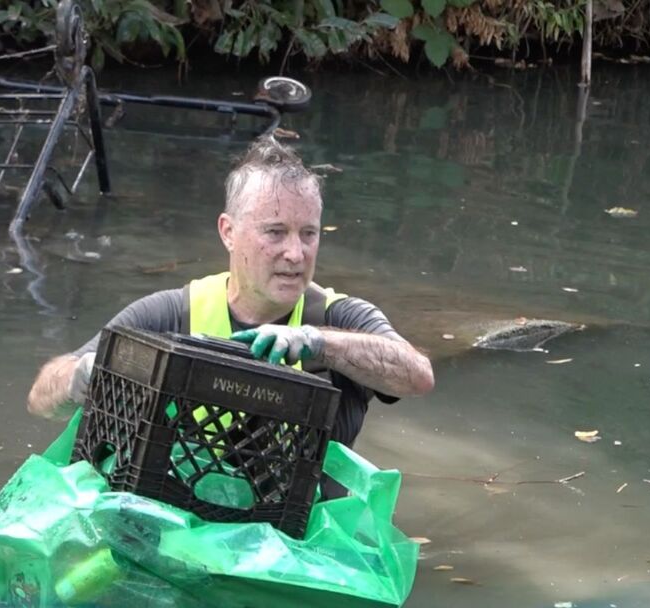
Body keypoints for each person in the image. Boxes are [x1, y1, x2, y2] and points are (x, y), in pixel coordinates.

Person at [26, 137, 434, 467]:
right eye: (275, 232)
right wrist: (82, 375)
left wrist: (320, 343)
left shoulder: (339, 316)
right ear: (228, 231)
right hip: (173, 530)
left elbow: (417, 376)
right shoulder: (168, 313)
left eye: (308, 233)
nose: (296, 253)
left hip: (298, 546)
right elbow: (42, 400)